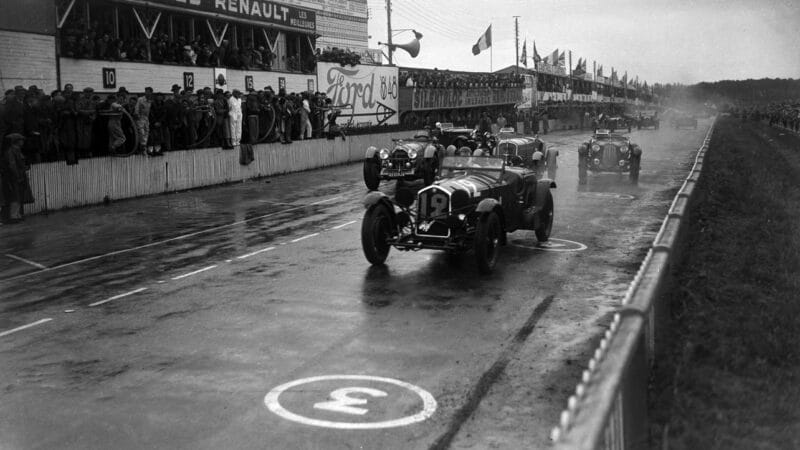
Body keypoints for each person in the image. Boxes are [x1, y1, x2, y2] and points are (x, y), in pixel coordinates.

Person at [0, 134, 30, 223]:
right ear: (17, 141)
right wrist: (17, 176)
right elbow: (12, 165)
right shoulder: (11, 151)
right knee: (15, 196)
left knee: (18, 196)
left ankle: (17, 215)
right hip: (13, 178)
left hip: (18, 177)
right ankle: (14, 216)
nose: (22, 142)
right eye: (21, 140)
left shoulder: (17, 151)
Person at [134, 87, 153, 154]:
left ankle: (143, 148)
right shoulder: (140, 99)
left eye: (149, 92)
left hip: (146, 118)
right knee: (141, 132)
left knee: (146, 132)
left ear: (151, 93)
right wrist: (137, 115)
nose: (147, 93)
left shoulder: (150, 101)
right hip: (140, 118)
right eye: (146, 91)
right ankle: (142, 147)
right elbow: (137, 108)